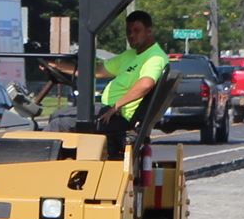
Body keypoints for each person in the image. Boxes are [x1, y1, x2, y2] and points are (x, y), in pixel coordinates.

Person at [41, 9, 168, 154]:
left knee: (60, 122)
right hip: (107, 110)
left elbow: (146, 84)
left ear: (149, 31)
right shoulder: (130, 55)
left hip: (119, 118)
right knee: (58, 114)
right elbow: (97, 71)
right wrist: (57, 66)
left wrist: (115, 107)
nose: (131, 35)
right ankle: (62, 159)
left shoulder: (154, 57)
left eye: (136, 30)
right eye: (128, 31)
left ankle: (34, 163)